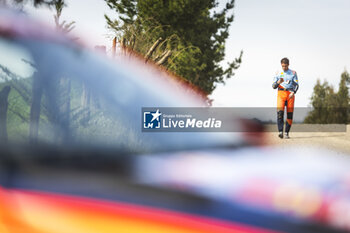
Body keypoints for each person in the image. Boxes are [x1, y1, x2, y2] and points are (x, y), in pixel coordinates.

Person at [272, 58, 299, 139]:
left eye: (285, 66)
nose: (284, 68)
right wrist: (278, 82)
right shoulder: (278, 73)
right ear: (281, 65)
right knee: (280, 113)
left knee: (289, 115)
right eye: (282, 66)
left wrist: (293, 92)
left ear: (288, 65)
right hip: (281, 94)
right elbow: (273, 86)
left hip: (290, 94)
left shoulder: (293, 73)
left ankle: (287, 132)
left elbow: (297, 85)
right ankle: (280, 131)